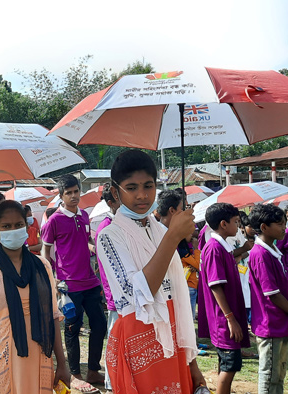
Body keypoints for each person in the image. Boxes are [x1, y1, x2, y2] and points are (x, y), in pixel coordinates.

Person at [96, 150, 206, 394]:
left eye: (148, 185)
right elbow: (137, 294)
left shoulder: (157, 228)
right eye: (132, 188)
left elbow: (177, 298)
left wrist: (193, 364)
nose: (142, 195)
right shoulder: (109, 236)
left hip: (173, 333)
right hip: (138, 339)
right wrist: (173, 237)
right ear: (116, 192)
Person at [0, 200, 69, 393]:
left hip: (39, 351)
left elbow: (52, 315)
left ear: (27, 227)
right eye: (6, 226)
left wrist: (62, 363)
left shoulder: (42, 266)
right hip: (2, 351)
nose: (13, 230)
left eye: (18, 225)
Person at [41, 174, 105, 392]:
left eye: (76, 191)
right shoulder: (54, 220)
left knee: (100, 325)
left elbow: (85, 241)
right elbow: (45, 250)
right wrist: (54, 276)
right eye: (68, 193)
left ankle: (93, 369)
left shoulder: (84, 215)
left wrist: (97, 251)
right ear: (61, 196)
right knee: (72, 328)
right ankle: (75, 374)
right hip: (69, 283)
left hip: (90, 280)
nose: (74, 195)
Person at [197, 203, 250, 394]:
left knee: (226, 364)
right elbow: (216, 285)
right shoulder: (213, 248)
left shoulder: (221, 246)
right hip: (222, 319)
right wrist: (230, 318)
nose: (238, 226)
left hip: (226, 316)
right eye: (235, 222)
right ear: (223, 224)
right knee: (230, 366)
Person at [247, 204, 288, 394]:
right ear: (264, 227)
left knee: (278, 374)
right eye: (280, 224)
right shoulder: (261, 254)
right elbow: (272, 294)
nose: (284, 228)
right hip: (271, 325)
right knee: (270, 375)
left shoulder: (272, 250)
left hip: (280, 323)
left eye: (285, 223)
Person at [94, 183, 120, 394]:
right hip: (117, 297)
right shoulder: (106, 229)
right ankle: (111, 382)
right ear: (111, 202)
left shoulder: (121, 225)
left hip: (127, 297)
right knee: (115, 339)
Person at [158, 189, 200, 318]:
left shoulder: (174, 234)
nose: (185, 213)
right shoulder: (160, 235)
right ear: (172, 211)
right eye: (182, 209)